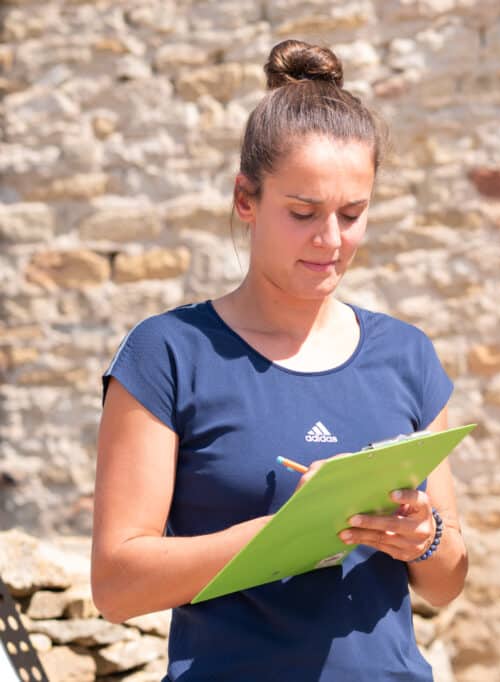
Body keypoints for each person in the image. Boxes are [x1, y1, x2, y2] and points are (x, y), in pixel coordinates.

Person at [90, 40, 467, 681]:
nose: (330, 241)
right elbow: (117, 585)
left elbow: (448, 581)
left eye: (353, 214)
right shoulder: (167, 354)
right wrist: (289, 533)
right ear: (246, 199)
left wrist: (422, 537)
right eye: (302, 213)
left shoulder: (407, 355)